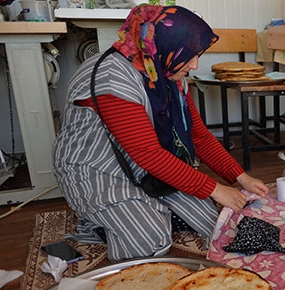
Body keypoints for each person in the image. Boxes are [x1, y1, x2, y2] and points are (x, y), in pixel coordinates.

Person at [53, 5, 269, 261]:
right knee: (151, 242)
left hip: (141, 166)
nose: (195, 65)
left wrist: (240, 177)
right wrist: (216, 189)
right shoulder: (113, 78)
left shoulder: (167, 72)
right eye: (190, 56)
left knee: (216, 223)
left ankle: (144, 210)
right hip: (96, 169)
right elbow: (148, 153)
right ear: (166, 45)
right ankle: (98, 221)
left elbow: (198, 135)